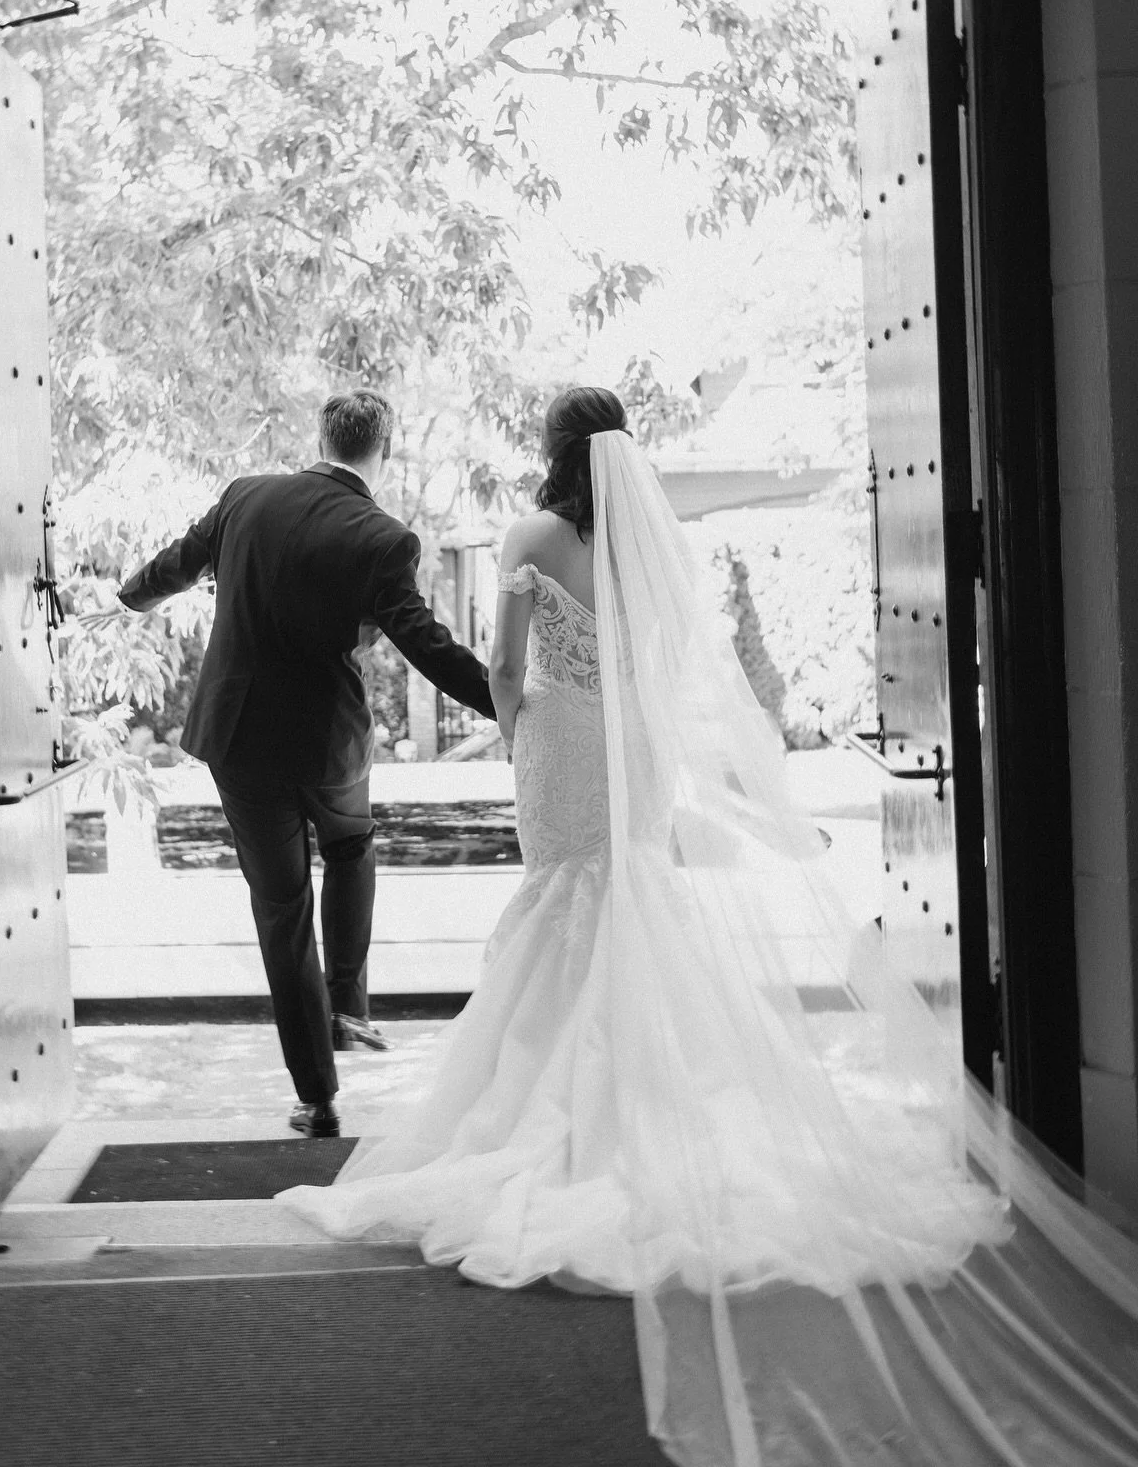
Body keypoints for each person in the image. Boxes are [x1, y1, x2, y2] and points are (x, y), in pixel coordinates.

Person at [282, 387, 1138, 1466]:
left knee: (563, 900)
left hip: (560, 743)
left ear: (551, 451)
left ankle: (556, 1109)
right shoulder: (653, 543)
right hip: (632, 747)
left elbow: (503, 666)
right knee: (632, 892)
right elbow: (674, 659)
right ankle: (659, 1090)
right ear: (623, 452)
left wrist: (516, 731)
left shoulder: (532, 534)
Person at [116, 390, 495, 1139]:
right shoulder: (383, 538)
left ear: (320, 437)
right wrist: (504, 703)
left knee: (282, 909)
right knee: (351, 845)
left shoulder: (245, 497)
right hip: (327, 744)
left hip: (238, 738)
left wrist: (128, 597)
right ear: (382, 448)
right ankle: (348, 1003)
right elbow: (426, 643)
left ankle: (317, 1098)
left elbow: (175, 565)